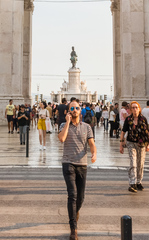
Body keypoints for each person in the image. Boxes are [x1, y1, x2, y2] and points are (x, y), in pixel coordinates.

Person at [58, 98, 97, 240]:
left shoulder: (87, 127)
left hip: (82, 164)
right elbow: (61, 139)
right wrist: (67, 122)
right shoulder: (63, 124)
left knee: (80, 197)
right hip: (68, 163)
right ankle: (73, 228)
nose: (74, 110)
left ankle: (75, 212)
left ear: (81, 111)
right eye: (72, 108)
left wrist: (94, 152)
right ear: (68, 111)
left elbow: (91, 143)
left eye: (76, 108)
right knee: (72, 194)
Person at [120, 101, 149, 193]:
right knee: (133, 163)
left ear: (139, 109)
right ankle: (132, 183)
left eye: (136, 107)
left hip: (141, 144)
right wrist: (121, 144)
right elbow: (123, 132)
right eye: (132, 108)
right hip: (131, 143)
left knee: (140, 164)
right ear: (130, 109)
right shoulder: (128, 119)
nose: (134, 109)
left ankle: (139, 181)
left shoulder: (143, 119)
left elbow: (148, 131)